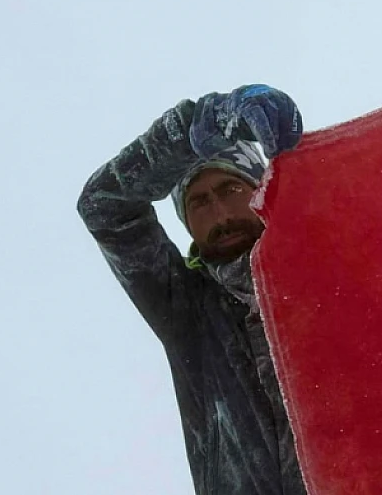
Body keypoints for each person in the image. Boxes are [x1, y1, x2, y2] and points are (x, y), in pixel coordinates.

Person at [77, 84, 306, 494]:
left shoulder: (331, 278)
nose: (219, 214)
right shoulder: (187, 307)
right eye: (198, 203)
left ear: (262, 190)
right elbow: (104, 206)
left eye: (230, 190)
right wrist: (193, 128)